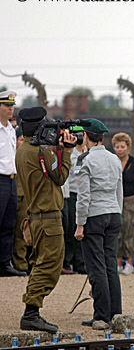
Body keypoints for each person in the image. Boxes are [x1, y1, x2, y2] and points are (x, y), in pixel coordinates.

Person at [17, 106, 77, 332]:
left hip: (35, 217)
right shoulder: (40, 152)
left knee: (37, 264)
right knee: (49, 266)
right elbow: (60, 176)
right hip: (48, 218)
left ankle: (31, 311)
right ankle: (31, 312)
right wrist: (67, 152)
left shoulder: (23, 150)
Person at [74, 119, 122, 330]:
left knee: (96, 267)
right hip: (113, 212)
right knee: (111, 264)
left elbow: (83, 195)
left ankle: (101, 315)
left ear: (85, 136)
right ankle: (115, 313)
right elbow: (118, 191)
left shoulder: (85, 160)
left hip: (94, 215)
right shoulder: (114, 159)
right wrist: (117, 212)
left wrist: (79, 223)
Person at [0, 91, 26, 277]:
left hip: (11, 179)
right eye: (7, 105)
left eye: (12, 105)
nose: (11, 108)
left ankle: (4, 262)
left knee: (9, 223)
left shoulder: (10, 129)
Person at [113, 132, 134, 275]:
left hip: (131, 201)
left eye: (122, 146)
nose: (120, 149)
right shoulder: (112, 162)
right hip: (115, 201)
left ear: (128, 147)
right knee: (117, 231)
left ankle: (130, 263)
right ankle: (118, 263)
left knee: (130, 231)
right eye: (117, 147)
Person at [64, 125, 87, 275]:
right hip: (73, 193)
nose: (78, 137)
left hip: (84, 194)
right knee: (71, 229)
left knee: (83, 229)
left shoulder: (88, 153)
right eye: (75, 135)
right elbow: (74, 173)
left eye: (81, 134)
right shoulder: (70, 154)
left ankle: (81, 262)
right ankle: (68, 261)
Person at [12, 128, 30, 273]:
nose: (22, 143)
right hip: (11, 196)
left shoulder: (27, 157)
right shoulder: (10, 156)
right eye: (20, 140)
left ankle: (21, 265)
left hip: (24, 198)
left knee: (21, 232)